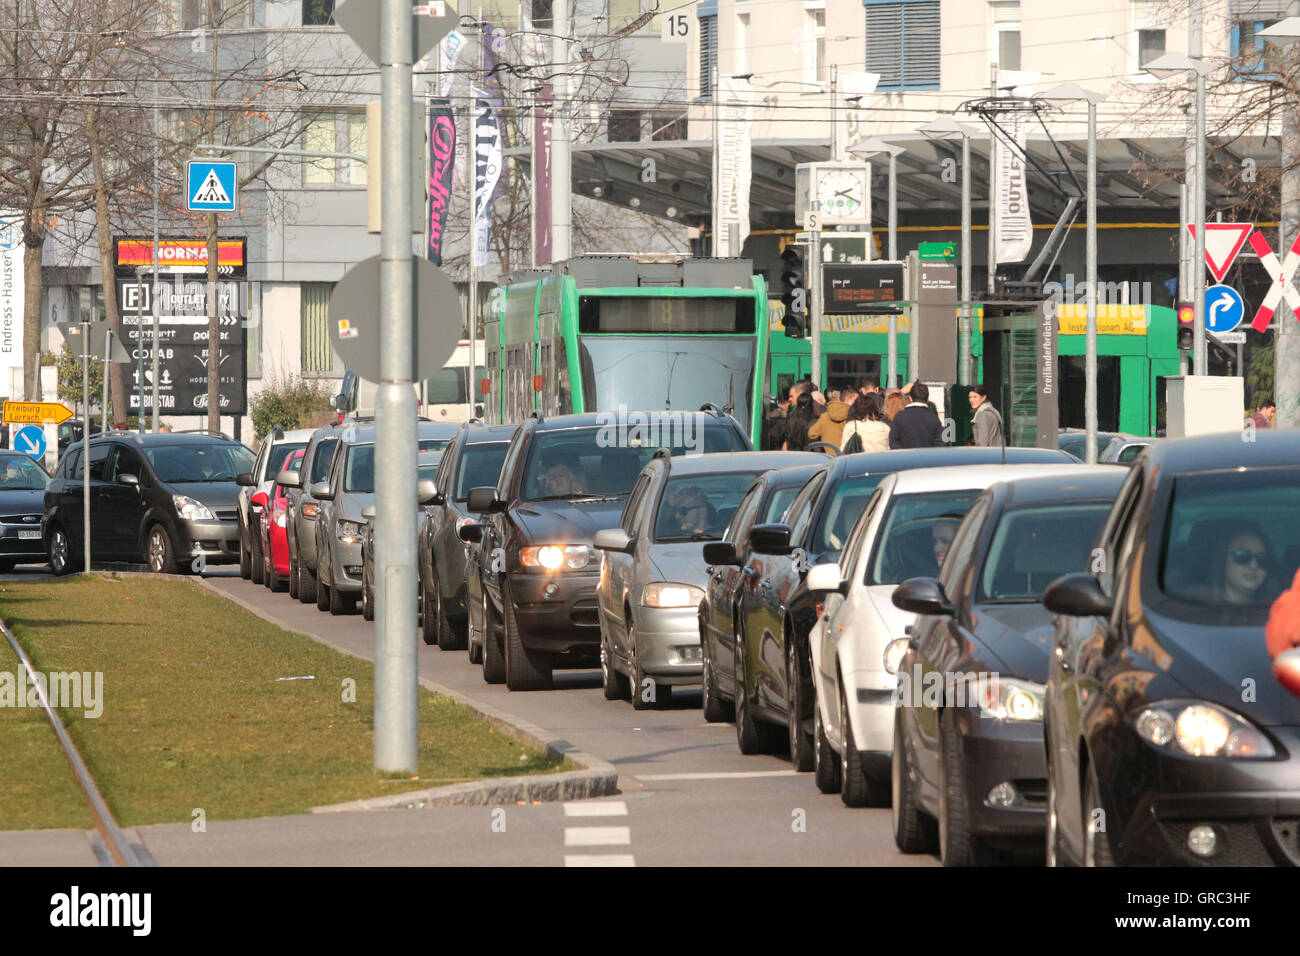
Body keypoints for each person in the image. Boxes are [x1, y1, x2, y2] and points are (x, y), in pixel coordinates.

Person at [1216, 529, 1276, 606]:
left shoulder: (1279, 611)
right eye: (1242, 556)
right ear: (1223, 559)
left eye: (1262, 559)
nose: (1253, 566)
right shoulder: (1203, 609)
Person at [889, 381, 945, 449]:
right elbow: (939, 444)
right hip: (927, 458)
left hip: (904, 458)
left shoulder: (899, 417)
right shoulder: (934, 419)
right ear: (927, 400)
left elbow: (893, 442)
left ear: (910, 399)